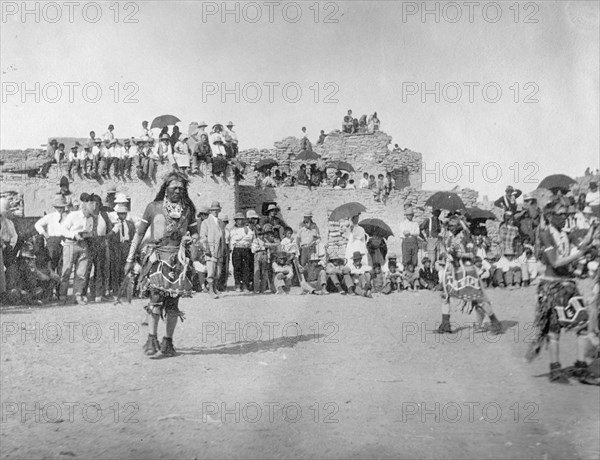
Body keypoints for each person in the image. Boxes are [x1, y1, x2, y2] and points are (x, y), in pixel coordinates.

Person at [124, 171, 198, 357]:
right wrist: (130, 258)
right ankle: (151, 339)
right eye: (175, 188)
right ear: (166, 188)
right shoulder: (153, 207)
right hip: (157, 259)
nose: (178, 191)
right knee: (155, 300)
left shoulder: (188, 209)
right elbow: (139, 234)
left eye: (182, 188)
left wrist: (193, 240)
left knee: (173, 304)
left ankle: (168, 343)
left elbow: (195, 233)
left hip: (179, 261)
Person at [525, 201, 598, 382]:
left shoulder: (566, 234)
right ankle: (555, 370)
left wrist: (592, 231)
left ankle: (581, 369)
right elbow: (555, 262)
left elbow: (583, 245)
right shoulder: (545, 234)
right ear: (550, 216)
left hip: (568, 286)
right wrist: (580, 254)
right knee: (554, 330)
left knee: (582, 324)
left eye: (566, 214)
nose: (565, 217)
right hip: (552, 288)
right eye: (561, 214)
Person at [437, 215, 503, 335]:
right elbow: (444, 244)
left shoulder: (466, 236)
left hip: (467, 271)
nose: (450, 228)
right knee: (444, 296)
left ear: (458, 225)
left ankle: (495, 322)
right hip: (454, 270)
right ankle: (445, 324)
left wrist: (458, 255)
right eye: (449, 226)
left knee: (478, 299)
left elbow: (472, 255)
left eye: (452, 226)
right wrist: (446, 251)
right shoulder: (451, 236)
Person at [59, 193, 95, 305]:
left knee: (81, 272)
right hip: (71, 244)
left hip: (84, 245)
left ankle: (77, 295)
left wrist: (89, 235)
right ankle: (62, 295)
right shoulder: (73, 216)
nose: (89, 214)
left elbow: (90, 230)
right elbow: (62, 230)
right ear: (83, 208)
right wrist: (74, 234)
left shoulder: (91, 218)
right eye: (88, 212)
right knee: (67, 270)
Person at [34, 195, 68, 279]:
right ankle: (49, 290)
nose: (60, 209)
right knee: (50, 267)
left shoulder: (67, 217)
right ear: (55, 207)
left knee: (62, 268)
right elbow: (37, 224)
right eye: (58, 207)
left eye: (62, 207)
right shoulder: (50, 216)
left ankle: (59, 291)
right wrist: (45, 234)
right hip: (52, 242)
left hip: (64, 242)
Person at [199, 201, 227, 299]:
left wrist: (224, 249)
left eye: (217, 210)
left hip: (219, 249)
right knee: (211, 271)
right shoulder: (206, 222)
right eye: (213, 210)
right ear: (211, 211)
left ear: (219, 210)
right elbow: (203, 237)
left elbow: (223, 237)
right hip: (210, 250)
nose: (215, 212)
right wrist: (206, 249)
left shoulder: (221, 223)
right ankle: (210, 290)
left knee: (218, 272)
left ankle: (215, 288)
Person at [230, 212, 254, 292]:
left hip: (245, 249)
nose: (240, 221)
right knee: (237, 267)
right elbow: (233, 239)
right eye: (238, 220)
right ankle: (237, 284)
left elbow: (250, 237)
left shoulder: (247, 228)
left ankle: (245, 285)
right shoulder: (233, 229)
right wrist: (243, 237)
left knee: (246, 267)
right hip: (237, 249)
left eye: (241, 219)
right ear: (235, 221)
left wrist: (240, 238)